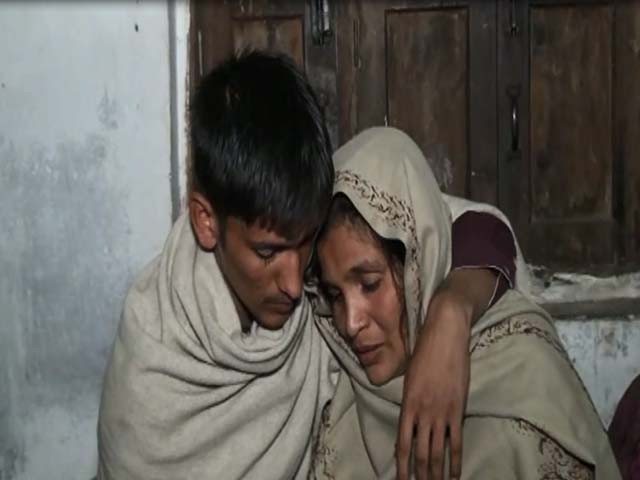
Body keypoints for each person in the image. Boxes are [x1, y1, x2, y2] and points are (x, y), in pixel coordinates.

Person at [97, 50, 518, 479]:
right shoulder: (153, 359)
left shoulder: (313, 220)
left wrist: (451, 312)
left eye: (305, 245)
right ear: (207, 221)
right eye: (268, 253)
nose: (297, 285)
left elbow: (472, 225)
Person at [311, 126, 621, 479]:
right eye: (335, 295)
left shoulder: (522, 382)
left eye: (369, 284)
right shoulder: (344, 385)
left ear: (418, 265)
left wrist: (451, 309)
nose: (350, 323)